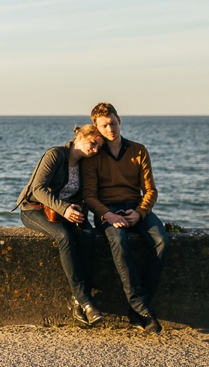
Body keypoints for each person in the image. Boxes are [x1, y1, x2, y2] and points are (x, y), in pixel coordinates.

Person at [81, 102, 168, 334]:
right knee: (119, 241)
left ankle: (139, 308)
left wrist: (139, 212)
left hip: (135, 207)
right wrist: (107, 214)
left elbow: (151, 191)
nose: (110, 129)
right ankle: (142, 308)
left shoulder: (139, 150)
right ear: (96, 128)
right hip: (107, 210)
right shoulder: (93, 156)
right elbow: (89, 195)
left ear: (119, 120)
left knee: (161, 240)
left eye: (113, 123)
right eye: (104, 126)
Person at [15, 125, 106, 326]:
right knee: (64, 237)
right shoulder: (55, 154)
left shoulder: (85, 164)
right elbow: (37, 189)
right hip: (34, 209)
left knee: (88, 235)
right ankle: (86, 301)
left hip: (64, 213)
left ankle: (76, 301)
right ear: (80, 137)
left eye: (99, 147)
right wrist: (64, 208)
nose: (95, 150)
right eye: (93, 143)